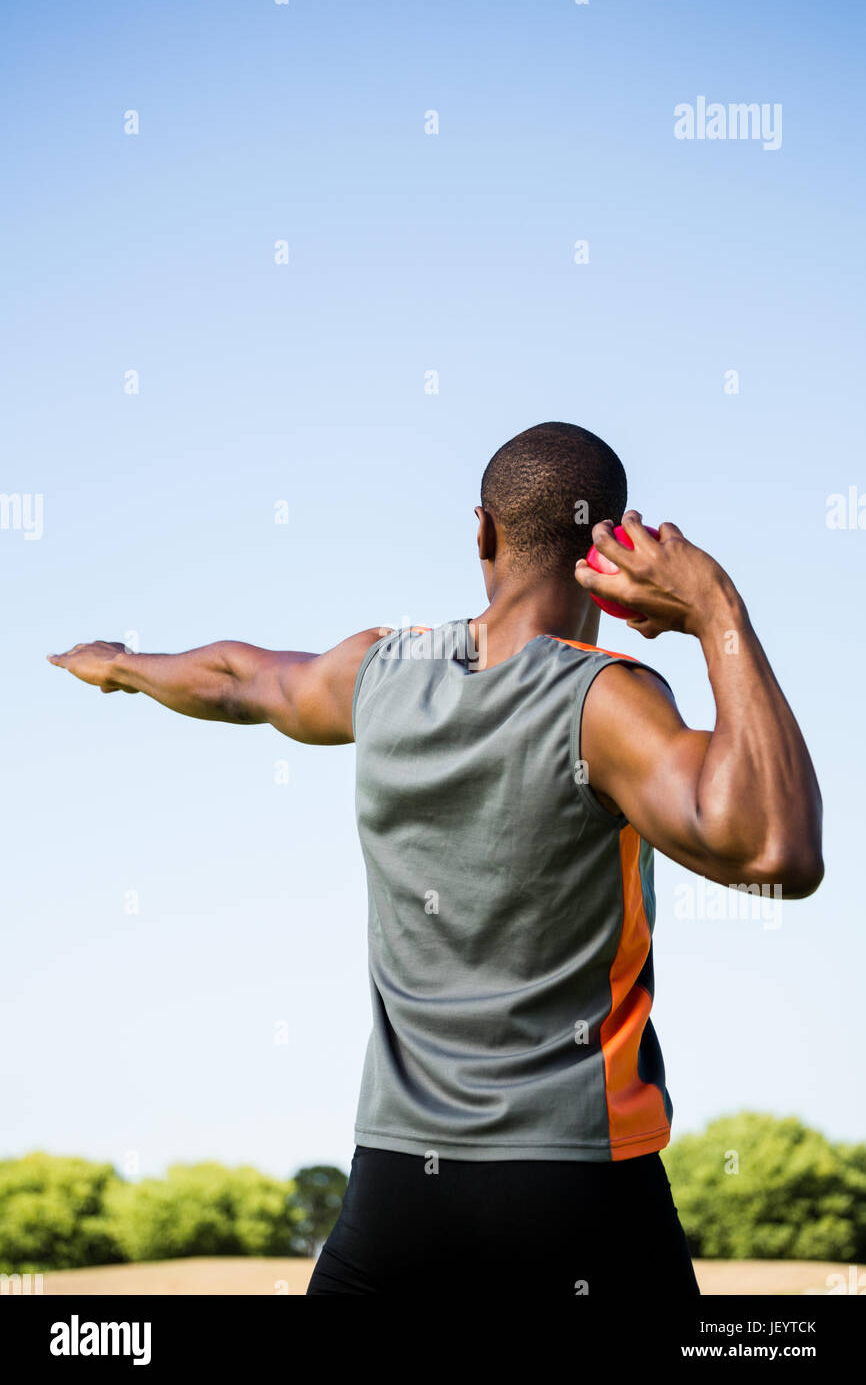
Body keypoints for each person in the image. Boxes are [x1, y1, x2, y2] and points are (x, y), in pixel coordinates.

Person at [49, 421, 823, 1298]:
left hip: (397, 1191)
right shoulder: (606, 702)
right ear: (608, 549)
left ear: (484, 531)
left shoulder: (382, 674)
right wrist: (717, 608)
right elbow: (776, 850)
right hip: (579, 1184)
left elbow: (236, 679)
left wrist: (121, 666)